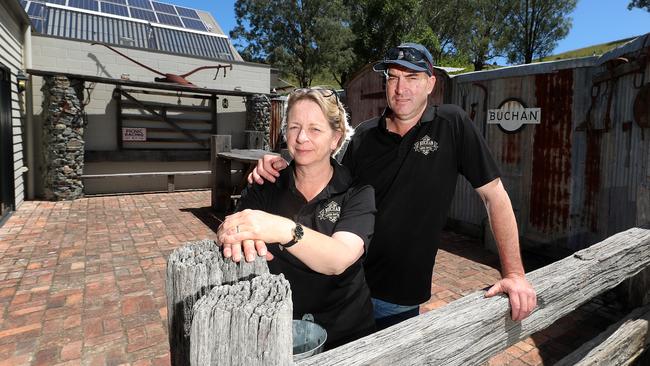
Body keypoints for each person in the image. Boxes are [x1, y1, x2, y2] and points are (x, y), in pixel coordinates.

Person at [248, 43, 537, 329]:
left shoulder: (452, 125)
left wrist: (514, 273)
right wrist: (284, 162)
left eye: (412, 77)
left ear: (430, 83)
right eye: (393, 77)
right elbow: (329, 185)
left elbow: (494, 196)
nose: (401, 88)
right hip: (346, 285)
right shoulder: (364, 137)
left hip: (400, 295)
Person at [216, 88, 376, 348]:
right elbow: (232, 227)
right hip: (276, 330)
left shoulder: (357, 192)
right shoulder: (266, 183)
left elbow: (339, 258)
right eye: (294, 127)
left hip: (346, 333)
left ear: (336, 139)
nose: (302, 137)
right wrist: (230, 233)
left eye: (315, 129)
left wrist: (281, 228)